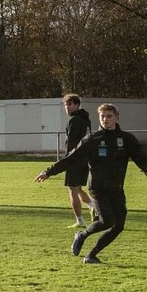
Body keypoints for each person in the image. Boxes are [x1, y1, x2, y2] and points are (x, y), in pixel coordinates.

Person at [35, 103, 147, 264]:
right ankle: (82, 235)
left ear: (116, 118)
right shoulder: (93, 139)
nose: (105, 119)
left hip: (116, 188)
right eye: (102, 116)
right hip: (98, 188)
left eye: (109, 116)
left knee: (119, 226)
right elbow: (71, 158)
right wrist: (49, 172)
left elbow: (140, 155)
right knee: (107, 221)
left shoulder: (126, 139)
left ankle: (91, 255)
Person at [61, 94, 94, 228]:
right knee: (78, 188)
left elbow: (71, 142)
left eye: (69, 104)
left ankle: (80, 221)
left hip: (75, 159)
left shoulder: (74, 120)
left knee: (72, 189)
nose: (67, 108)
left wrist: (66, 159)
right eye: (65, 105)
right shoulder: (87, 120)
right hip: (85, 159)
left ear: (77, 104)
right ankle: (93, 206)